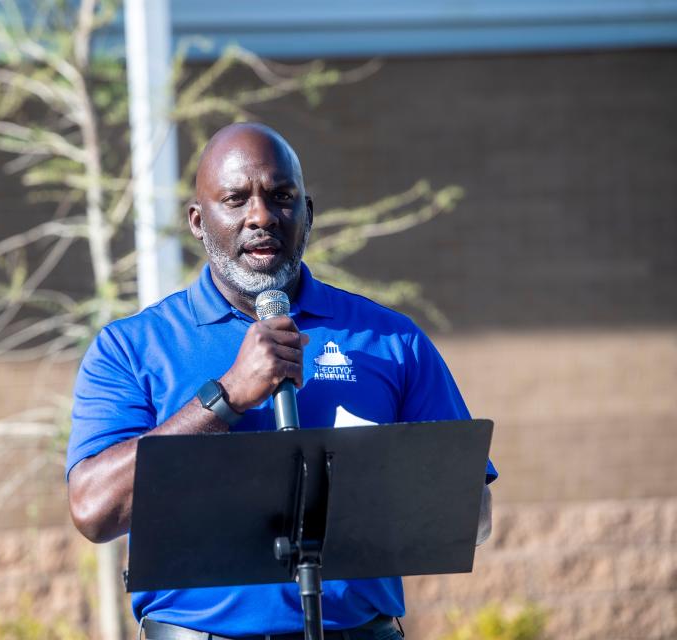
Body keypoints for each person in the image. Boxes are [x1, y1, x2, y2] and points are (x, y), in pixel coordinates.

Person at [66, 123, 497, 640]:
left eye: (281, 196)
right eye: (236, 198)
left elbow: (471, 515)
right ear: (198, 221)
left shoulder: (389, 339)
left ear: (307, 215)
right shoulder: (132, 348)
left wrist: (364, 477)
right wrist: (225, 398)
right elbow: (93, 510)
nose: (261, 216)